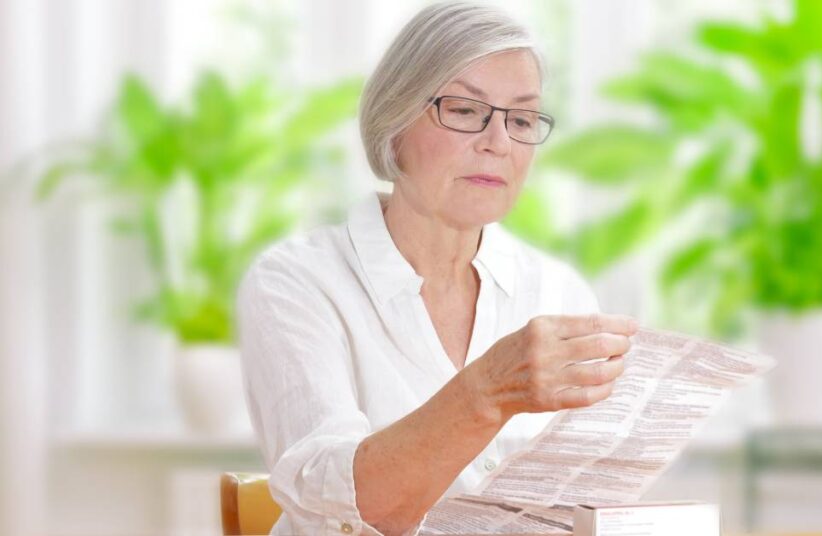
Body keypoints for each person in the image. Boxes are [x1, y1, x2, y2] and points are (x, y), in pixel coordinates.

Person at [236, 3, 637, 534]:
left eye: (520, 119)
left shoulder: (558, 291)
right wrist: (490, 390)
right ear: (394, 122)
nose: (498, 143)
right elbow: (345, 511)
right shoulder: (297, 282)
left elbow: (585, 501)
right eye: (466, 111)